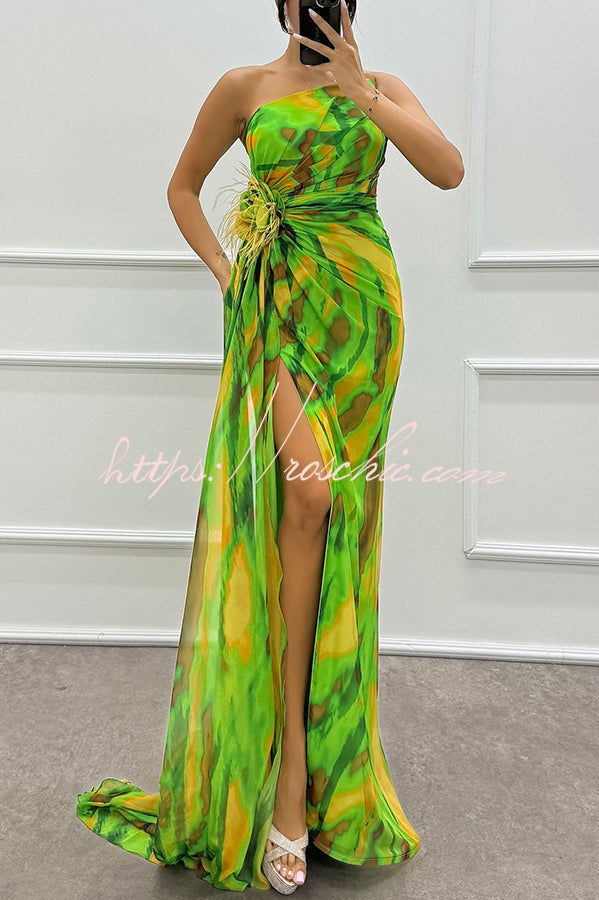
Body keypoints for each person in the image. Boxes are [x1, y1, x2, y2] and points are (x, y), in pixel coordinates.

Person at [76, 0, 464, 893]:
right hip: (276, 311)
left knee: (336, 523)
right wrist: (228, 272)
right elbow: (182, 187)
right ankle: (288, 775)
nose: (317, 7)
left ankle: (324, 773)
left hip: (363, 318)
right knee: (311, 495)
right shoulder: (243, 88)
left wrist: (362, 93)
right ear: (281, 5)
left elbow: (447, 171)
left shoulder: (381, 87)